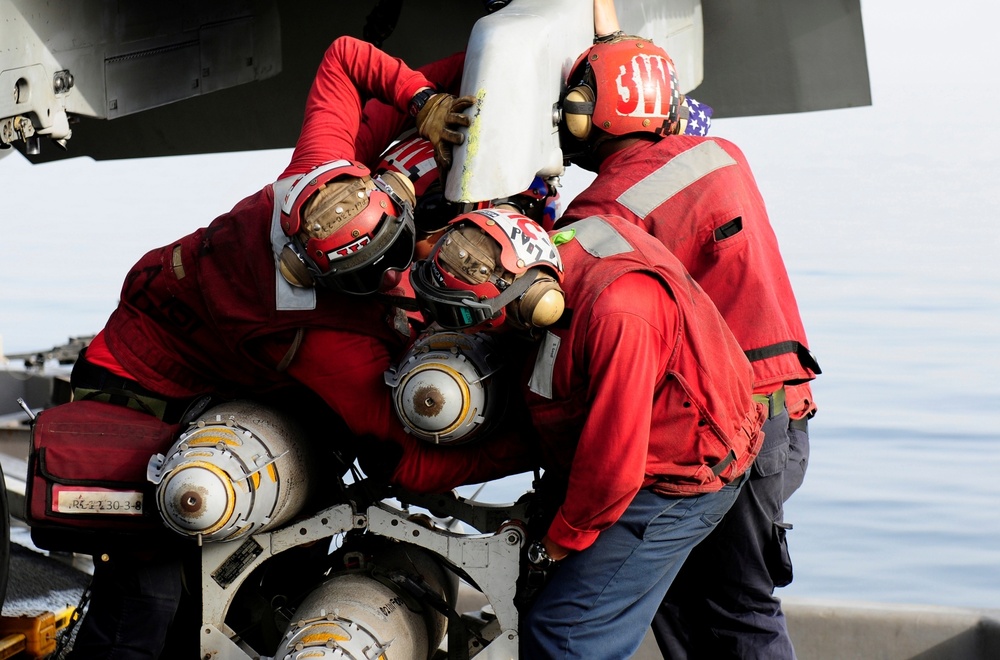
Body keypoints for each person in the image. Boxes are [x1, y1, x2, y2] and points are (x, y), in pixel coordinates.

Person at [61, 35, 513, 660]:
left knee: (246, 572)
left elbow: (344, 56)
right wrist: (532, 444)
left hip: (205, 371)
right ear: (322, 274)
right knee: (151, 598)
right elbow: (403, 461)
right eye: (371, 278)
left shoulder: (317, 173)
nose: (391, 279)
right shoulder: (312, 335)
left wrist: (430, 97)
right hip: (136, 390)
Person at [552, 4, 821, 656]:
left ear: (590, 115)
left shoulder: (601, 212)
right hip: (784, 418)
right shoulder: (722, 156)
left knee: (710, 610)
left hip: (715, 431)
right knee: (720, 609)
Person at [410, 207, 766, 659]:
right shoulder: (549, 257)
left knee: (566, 636)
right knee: (539, 608)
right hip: (618, 461)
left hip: (673, 481)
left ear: (531, 301)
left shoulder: (620, 314)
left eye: (470, 317)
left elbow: (613, 470)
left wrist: (553, 546)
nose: (472, 330)